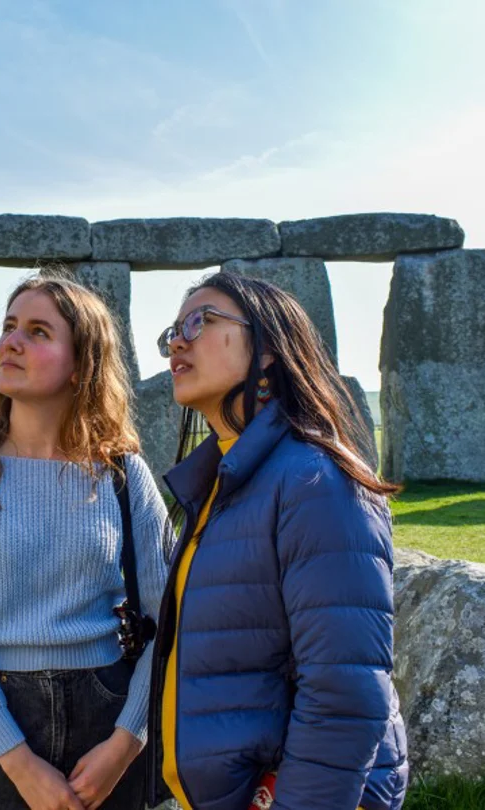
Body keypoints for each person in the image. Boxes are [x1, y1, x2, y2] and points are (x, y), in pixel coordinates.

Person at [147, 272, 408, 810]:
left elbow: (346, 694)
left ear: (267, 350)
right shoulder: (226, 479)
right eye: (174, 329)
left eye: (201, 321)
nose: (178, 340)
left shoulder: (316, 481)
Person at [0, 276, 169, 810]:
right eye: (9, 327)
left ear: (81, 364)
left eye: (37, 332)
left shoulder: (125, 476)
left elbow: (169, 623)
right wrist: (18, 761)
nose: (12, 342)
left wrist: (127, 742)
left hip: (108, 715)